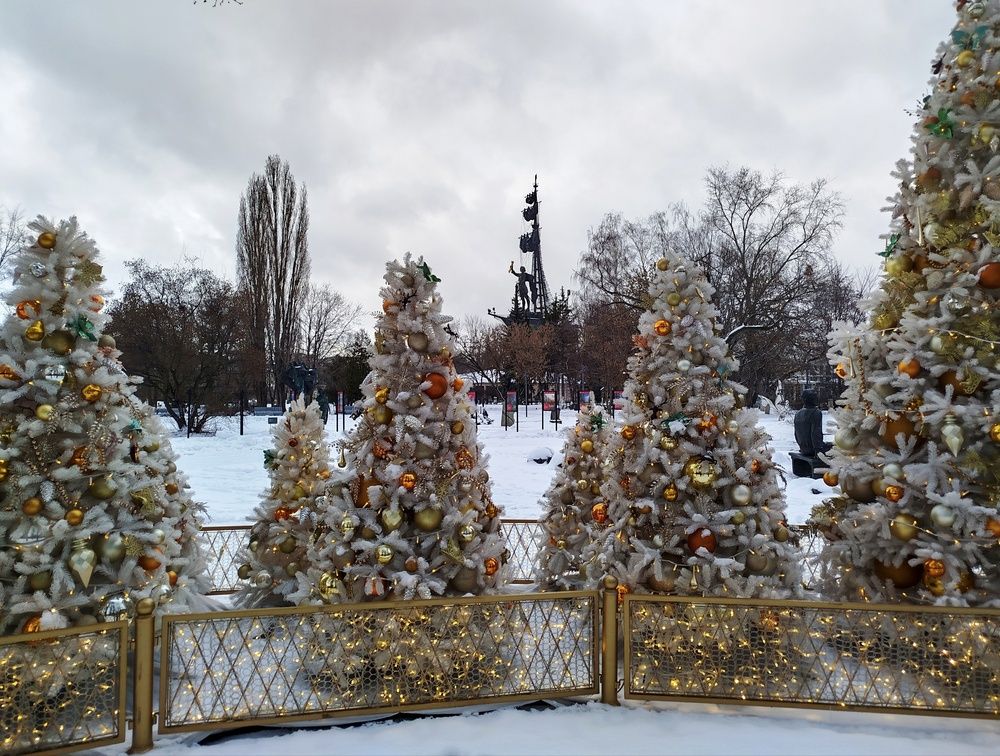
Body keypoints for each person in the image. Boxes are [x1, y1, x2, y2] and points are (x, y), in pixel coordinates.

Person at [794, 389, 831, 458]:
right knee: (838, 449)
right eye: (814, 397)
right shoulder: (815, 412)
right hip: (813, 450)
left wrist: (802, 447)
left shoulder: (798, 414)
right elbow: (815, 434)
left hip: (803, 448)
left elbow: (796, 434)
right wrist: (818, 451)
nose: (816, 399)